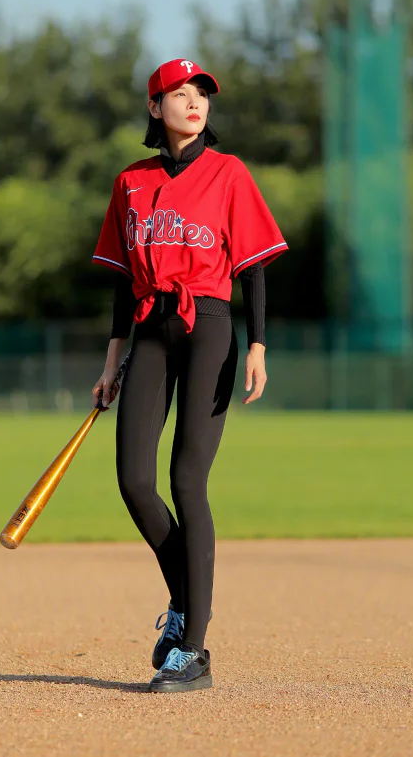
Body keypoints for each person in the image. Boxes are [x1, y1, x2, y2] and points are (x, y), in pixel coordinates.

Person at [91, 58, 287, 693]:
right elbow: (124, 281)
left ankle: (193, 650)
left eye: (201, 92)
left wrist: (257, 345)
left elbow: (254, 267)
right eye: (179, 93)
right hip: (149, 328)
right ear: (155, 108)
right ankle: (184, 601)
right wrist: (111, 359)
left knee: (186, 478)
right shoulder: (130, 182)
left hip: (210, 324)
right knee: (134, 480)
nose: (194, 101)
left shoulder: (229, 173)